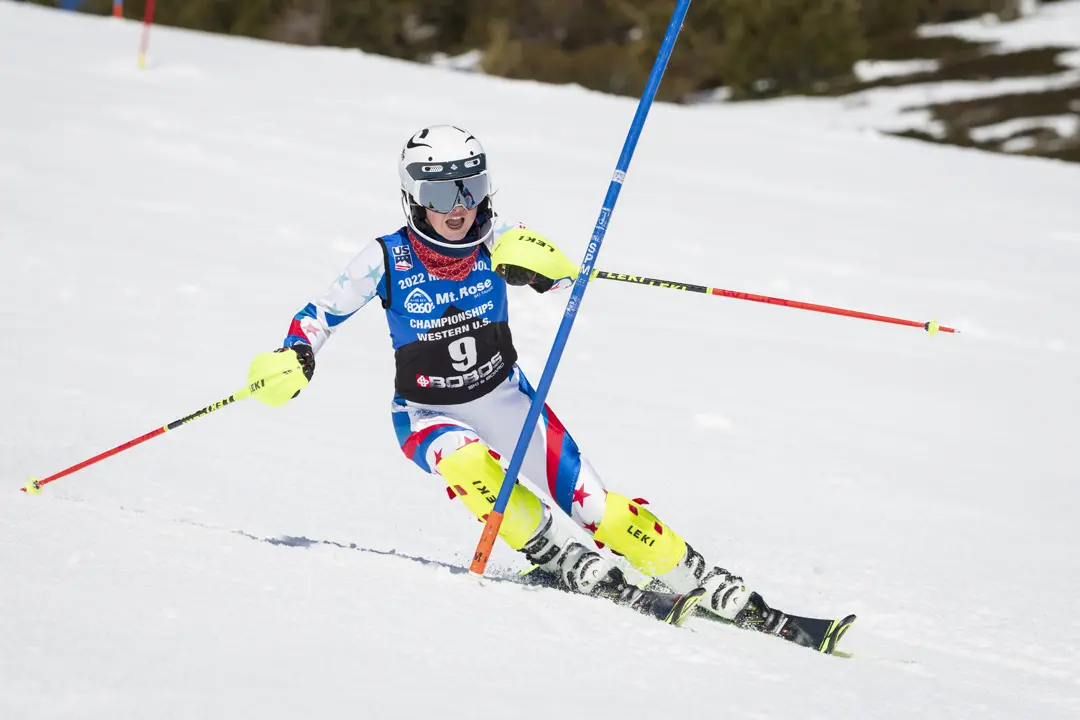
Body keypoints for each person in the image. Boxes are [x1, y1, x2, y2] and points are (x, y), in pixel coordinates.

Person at [248, 125, 848, 646]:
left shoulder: (498, 236)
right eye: (439, 192)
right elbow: (319, 313)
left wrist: (545, 271)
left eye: (470, 188)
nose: (458, 207)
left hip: (508, 399)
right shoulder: (385, 257)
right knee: (464, 462)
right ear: (411, 196)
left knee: (599, 509)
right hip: (428, 413)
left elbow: (561, 277)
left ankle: (694, 574)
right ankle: (549, 551)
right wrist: (296, 354)